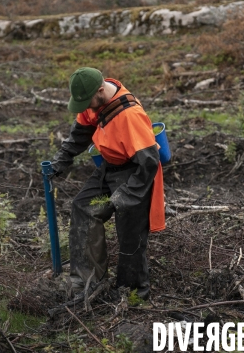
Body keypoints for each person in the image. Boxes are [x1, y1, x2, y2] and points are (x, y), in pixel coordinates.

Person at [50, 67, 165, 299]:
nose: (85, 109)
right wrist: (61, 161)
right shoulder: (93, 100)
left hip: (135, 172)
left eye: (87, 103)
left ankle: (132, 292)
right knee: (83, 206)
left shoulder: (130, 116)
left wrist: (125, 196)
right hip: (108, 167)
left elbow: (149, 162)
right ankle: (86, 280)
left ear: (101, 91)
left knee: (129, 228)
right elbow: (81, 133)